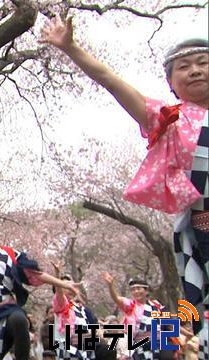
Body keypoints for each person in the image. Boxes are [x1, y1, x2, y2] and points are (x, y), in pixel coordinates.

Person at [40, 13, 208, 341]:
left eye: (203, 62)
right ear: (171, 83)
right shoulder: (171, 119)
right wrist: (72, 49)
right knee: (202, 316)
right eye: (184, 67)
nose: (196, 70)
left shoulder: (155, 305)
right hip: (201, 230)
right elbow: (110, 80)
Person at [0, 204, 80, 360]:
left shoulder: (8, 253)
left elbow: (36, 274)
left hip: (4, 310)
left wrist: (62, 283)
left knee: (20, 320)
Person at [102, 273, 175, 360]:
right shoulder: (131, 305)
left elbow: (169, 322)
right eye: (133, 289)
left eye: (138, 289)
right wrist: (111, 286)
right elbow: (117, 299)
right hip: (141, 344)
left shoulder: (157, 304)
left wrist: (184, 334)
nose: (136, 291)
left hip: (161, 342)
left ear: (146, 291)